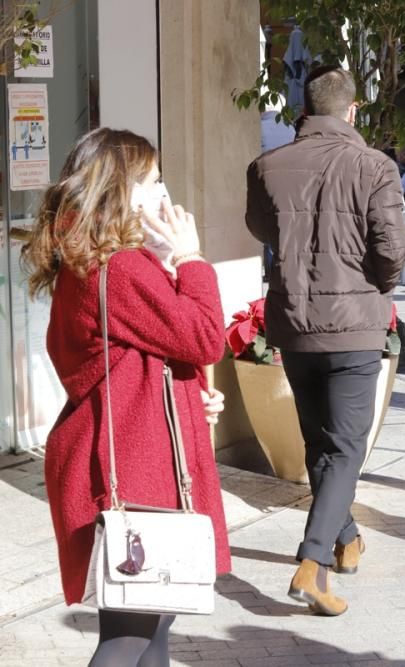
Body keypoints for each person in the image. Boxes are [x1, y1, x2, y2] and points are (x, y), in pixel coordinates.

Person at [22, 128, 230, 665]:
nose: (164, 193)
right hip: (137, 473)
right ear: (121, 188)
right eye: (153, 180)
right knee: (130, 636)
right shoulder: (120, 268)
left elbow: (141, 358)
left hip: (135, 458)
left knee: (153, 625)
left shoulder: (96, 261)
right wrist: (190, 259)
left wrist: (190, 397)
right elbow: (205, 335)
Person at [245, 65, 405, 616]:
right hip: (354, 322)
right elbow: (393, 249)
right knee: (344, 448)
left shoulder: (266, 165)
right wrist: (376, 289)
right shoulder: (374, 166)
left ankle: (346, 538)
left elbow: (263, 229)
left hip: (293, 320)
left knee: (322, 444)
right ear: (352, 111)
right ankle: (312, 564)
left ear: (306, 109)